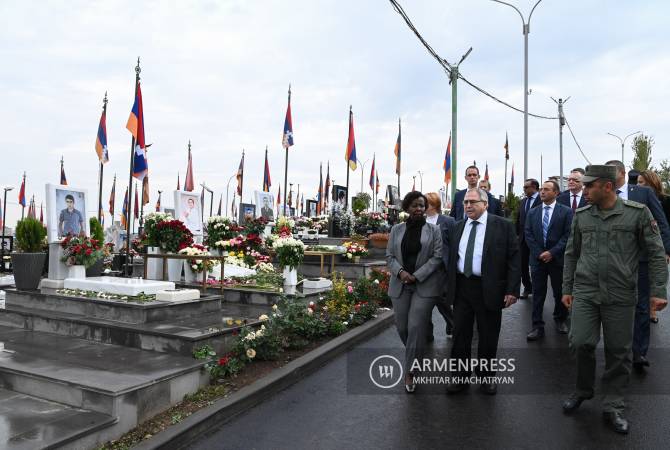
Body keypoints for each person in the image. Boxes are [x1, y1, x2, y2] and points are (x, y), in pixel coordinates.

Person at [561, 165, 668, 434]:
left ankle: (614, 404)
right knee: (580, 341)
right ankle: (584, 390)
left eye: (588, 186)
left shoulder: (637, 214)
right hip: (586, 290)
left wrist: (658, 290)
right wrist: (567, 287)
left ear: (607, 187)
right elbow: (572, 253)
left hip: (621, 293)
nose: (583, 190)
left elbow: (656, 253)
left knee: (619, 352)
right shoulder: (582, 216)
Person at [445, 188, 520, 395]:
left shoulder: (502, 226)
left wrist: (512, 289)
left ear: (485, 204)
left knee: (488, 336)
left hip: (490, 288)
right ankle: (460, 377)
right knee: (460, 335)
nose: (468, 206)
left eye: (472, 202)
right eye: (465, 202)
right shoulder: (457, 226)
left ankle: (486, 377)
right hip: (462, 287)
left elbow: (514, 258)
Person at [606, 160, 670, 372]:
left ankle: (639, 352)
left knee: (642, 306)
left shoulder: (643, 193)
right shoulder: (602, 194)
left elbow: (661, 223)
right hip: (611, 262)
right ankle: (617, 350)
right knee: (615, 306)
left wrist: (664, 251)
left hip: (641, 260)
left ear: (622, 173)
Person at [386, 191, 444, 393]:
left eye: (422, 205)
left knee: (416, 325)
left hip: (424, 285)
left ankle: (410, 371)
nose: (419, 209)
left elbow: (437, 257)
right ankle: (416, 355)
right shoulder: (396, 229)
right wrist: (401, 272)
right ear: (407, 208)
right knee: (402, 327)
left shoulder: (434, 230)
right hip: (400, 284)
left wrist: (416, 275)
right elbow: (390, 256)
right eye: (414, 205)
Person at [524, 180, 572, 340]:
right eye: (542, 189)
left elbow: (567, 235)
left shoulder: (565, 212)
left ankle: (560, 319)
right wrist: (539, 253)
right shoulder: (533, 212)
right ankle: (537, 326)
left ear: (556, 193)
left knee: (559, 291)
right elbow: (528, 234)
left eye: (546, 189)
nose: (542, 192)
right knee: (538, 293)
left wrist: (552, 252)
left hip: (557, 259)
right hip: (538, 260)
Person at [638, 169, 670, 323]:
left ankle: (652, 310)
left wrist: (667, 251)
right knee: (643, 280)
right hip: (642, 247)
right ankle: (643, 308)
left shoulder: (666, 201)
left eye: (641, 183)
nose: (638, 186)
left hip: (660, 247)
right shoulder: (638, 200)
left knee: (655, 278)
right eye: (637, 182)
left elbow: (666, 226)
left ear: (652, 183)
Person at [424, 192, 456, 340]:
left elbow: (454, 244)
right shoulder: (420, 221)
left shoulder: (448, 221)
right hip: (423, 268)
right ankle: (428, 333)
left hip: (442, 268)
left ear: (434, 204)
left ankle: (453, 324)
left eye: (426, 203)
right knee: (424, 302)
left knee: (441, 299)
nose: (423, 205)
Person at [515, 178, 541, 298]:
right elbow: (519, 218)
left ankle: (538, 288)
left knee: (537, 265)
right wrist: (516, 234)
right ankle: (527, 287)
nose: (524, 189)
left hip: (537, 239)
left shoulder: (542, 200)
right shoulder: (523, 201)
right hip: (523, 239)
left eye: (526, 187)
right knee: (522, 264)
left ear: (534, 187)